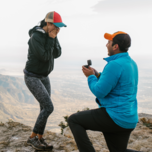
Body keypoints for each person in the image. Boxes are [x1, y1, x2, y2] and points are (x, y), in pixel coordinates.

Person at [68, 31, 140, 152]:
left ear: (115, 46)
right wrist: (97, 74)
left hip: (114, 117)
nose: (106, 45)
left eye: (108, 42)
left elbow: (100, 91)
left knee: (74, 120)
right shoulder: (132, 63)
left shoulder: (114, 64)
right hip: (128, 118)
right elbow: (117, 83)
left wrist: (90, 77)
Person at [24, 11, 66, 151]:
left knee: (44, 108)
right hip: (32, 76)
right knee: (48, 107)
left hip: (44, 76)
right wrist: (50, 39)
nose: (58, 29)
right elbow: (44, 57)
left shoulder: (51, 35)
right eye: (56, 26)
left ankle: (40, 138)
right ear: (48, 23)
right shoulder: (36, 36)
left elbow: (57, 54)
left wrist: (53, 38)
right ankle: (31, 139)